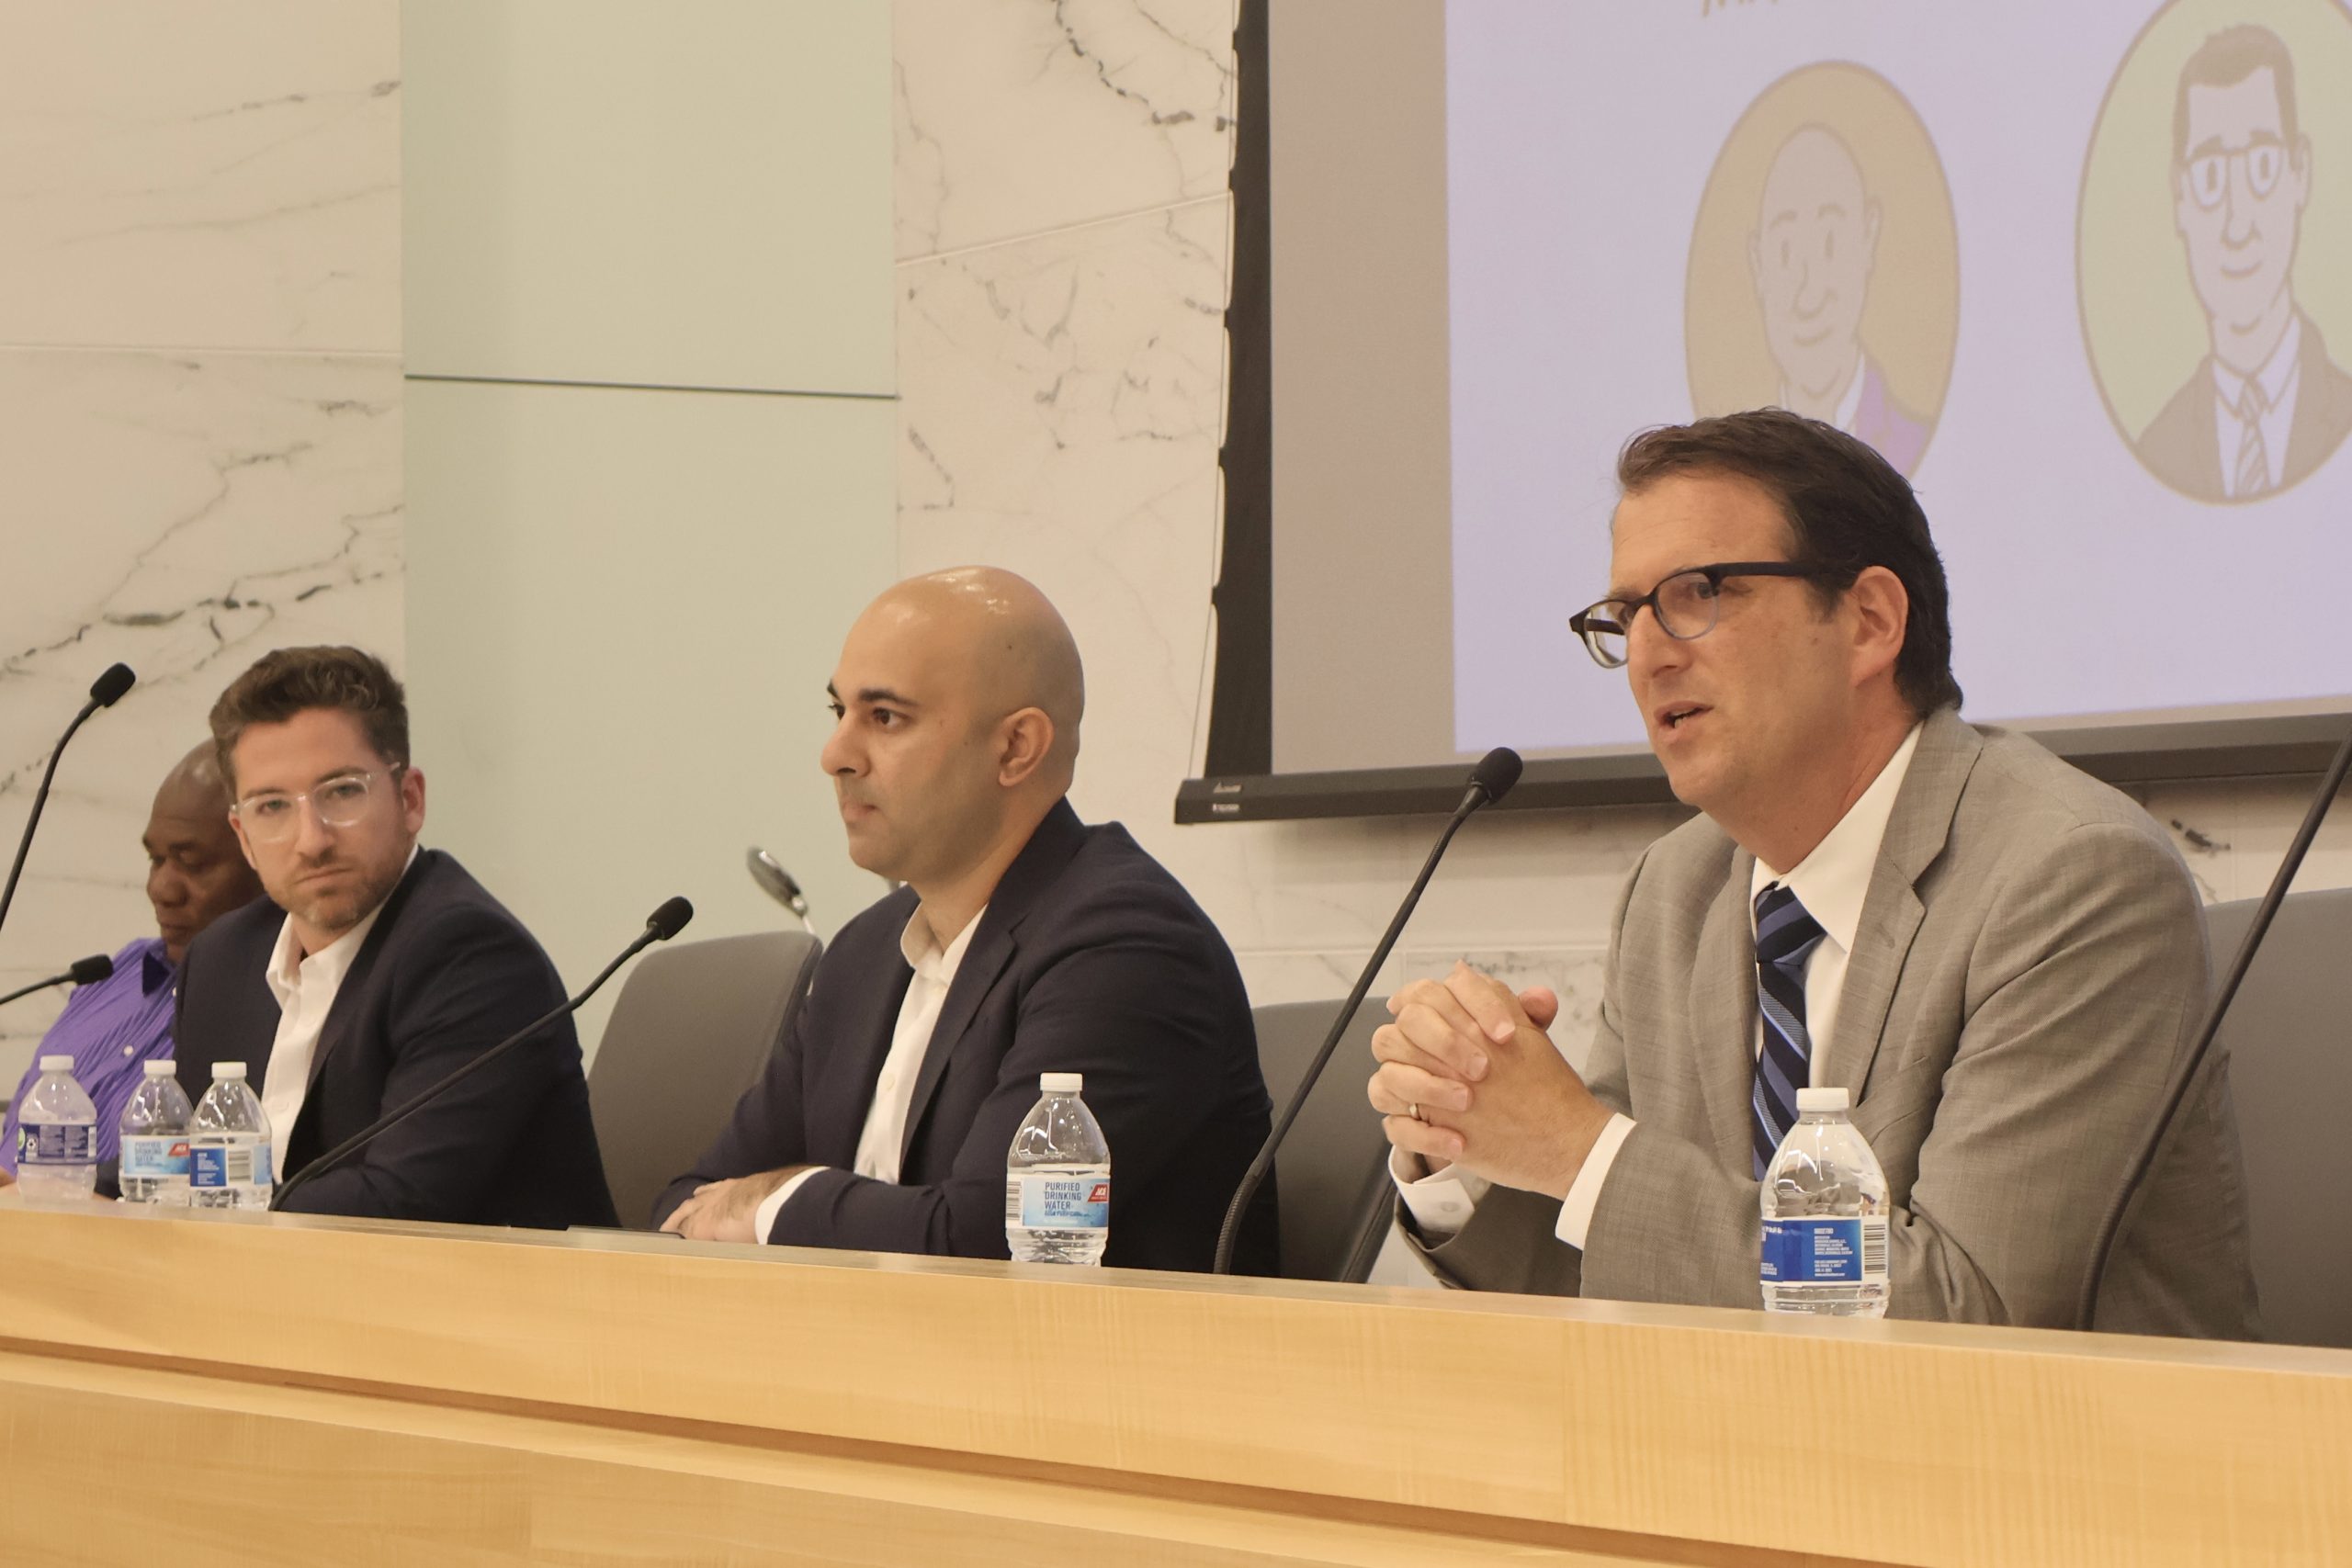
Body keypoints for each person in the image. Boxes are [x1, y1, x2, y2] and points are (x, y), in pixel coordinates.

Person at [1370, 409, 2257, 1337]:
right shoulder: (1674, 892)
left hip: (2046, 1432)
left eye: (1696, 593)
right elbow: (1624, 1263)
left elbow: (1966, 1309)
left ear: (1870, 622)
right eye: (1627, 616)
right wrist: (1467, 1142)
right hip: (1731, 1428)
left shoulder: (2072, 879)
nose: (1648, 655)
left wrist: (1576, 1147)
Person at [657, 568, 1274, 1271]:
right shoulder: (863, 955)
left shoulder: (1128, 947)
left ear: (1016, 748)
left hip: (1072, 1346)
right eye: (839, 711)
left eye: (885, 717)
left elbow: (983, 1245)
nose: (835, 756)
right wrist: (753, 1205)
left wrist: (773, 1202)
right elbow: (689, 1205)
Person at [173, 646, 616, 1228]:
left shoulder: (472, 957)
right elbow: (182, 1163)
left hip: (459, 1286)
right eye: (272, 806)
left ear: (410, 800)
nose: (312, 840)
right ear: (243, 837)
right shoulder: (222, 959)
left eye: (342, 792)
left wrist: (183, 1207)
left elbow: (397, 1206)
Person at [0, 743, 264, 1189]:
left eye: (192, 864)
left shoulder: (269, 1004)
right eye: (155, 860)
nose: (161, 889)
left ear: (265, 864)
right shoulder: (113, 974)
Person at [2137, 24, 2352, 502]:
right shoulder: (2157, 446)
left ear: (2301, 173)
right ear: (2179, 196)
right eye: (2211, 175)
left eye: (2262, 167)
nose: (2237, 224)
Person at [1748, 124, 1930, 475]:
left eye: (1830, 242)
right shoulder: (1734, 474)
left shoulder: (1908, 434)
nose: (1809, 293)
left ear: (1868, 238)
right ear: (1758, 263)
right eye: (1785, 250)